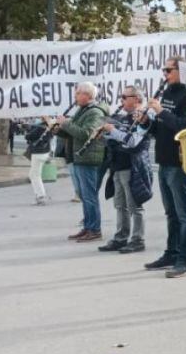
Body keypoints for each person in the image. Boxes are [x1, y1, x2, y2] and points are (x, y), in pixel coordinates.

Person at [143, 58, 186, 274]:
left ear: (181, 70)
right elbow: (162, 128)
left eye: (168, 69)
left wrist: (160, 111)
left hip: (179, 160)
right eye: (164, 69)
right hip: (164, 159)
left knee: (184, 213)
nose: (165, 73)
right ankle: (171, 253)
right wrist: (147, 122)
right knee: (171, 212)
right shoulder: (166, 92)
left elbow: (185, 126)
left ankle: (185, 258)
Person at [98, 86, 153, 254]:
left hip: (133, 166)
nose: (121, 100)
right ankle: (121, 237)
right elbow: (117, 139)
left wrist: (112, 131)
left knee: (135, 205)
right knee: (120, 205)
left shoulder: (143, 117)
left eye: (124, 97)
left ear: (136, 98)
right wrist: (104, 135)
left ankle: (138, 239)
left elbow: (132, 142)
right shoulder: (124, 117)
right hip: (118, 166)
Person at [52, 83, 108, 242]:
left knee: (89, 195)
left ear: (88, 95)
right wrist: (58, 128)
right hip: (78, 157)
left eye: (78, 93)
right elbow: (73, 131)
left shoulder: (95, 112)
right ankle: (88, 227)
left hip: (89, 157)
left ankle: (95, 229)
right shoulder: (83, 110)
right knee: (84, 195)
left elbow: (86, 134)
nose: (75, 96)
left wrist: (66, 123)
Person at [23, 117, 54, 204]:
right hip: (45, 152)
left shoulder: (40, 127)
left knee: (34, 175)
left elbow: (28, 136)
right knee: (34, 174)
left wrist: (27, 130)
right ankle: (40, 195)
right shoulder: (51, 126)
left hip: (38, 153)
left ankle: (40, 196)